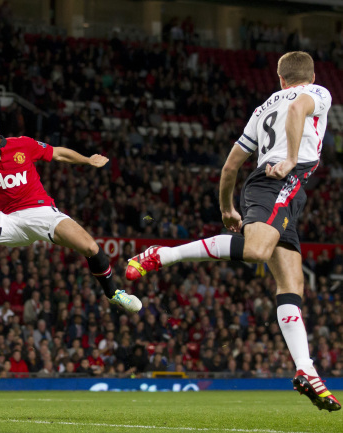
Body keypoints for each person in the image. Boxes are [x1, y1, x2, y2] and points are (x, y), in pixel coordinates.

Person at [125, 51, 340, 412]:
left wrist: (227, 208)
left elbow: (229, 167)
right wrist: (287, 161)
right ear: (311, 75)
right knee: (256, 251)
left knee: (292, 285)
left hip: (280, 191)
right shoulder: (317, 92)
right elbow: (297, 109)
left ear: (280, 78)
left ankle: (306, 370)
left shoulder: (261, 108)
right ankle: (165, 254)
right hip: (278, 182)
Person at [0, 112, 141, 314]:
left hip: (43, 214)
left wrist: (87, 160)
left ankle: (114, 294)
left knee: (91, 247)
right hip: (8, 221)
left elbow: (57, 153)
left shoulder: (22, 144)